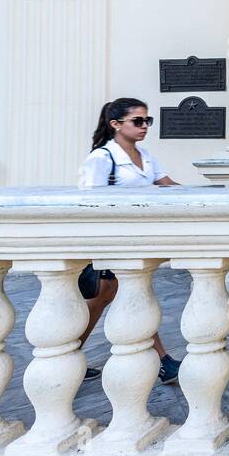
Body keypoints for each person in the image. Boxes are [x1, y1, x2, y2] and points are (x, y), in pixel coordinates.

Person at [78, 97, 182, 385]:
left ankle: (70, 353)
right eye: (137, 121)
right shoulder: (102, 159)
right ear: (115, 124)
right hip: (110, 243)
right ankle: (163, 362)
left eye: (147, 120)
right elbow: (88, 203)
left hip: (136, 240)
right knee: (133, 294)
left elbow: (168, 185)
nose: (144, 126)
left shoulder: (145, 156)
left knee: (105, 299)